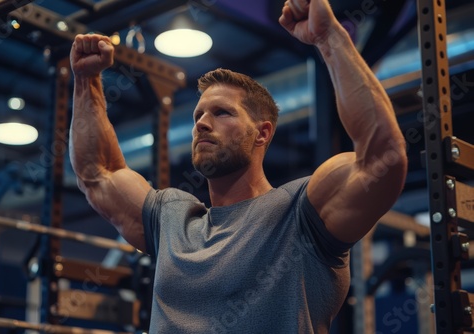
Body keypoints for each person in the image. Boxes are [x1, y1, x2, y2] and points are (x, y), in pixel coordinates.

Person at [69, 0, 408, 333]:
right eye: (198, 115)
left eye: (222, 113)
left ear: (262, 133)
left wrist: (329, 37)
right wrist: (86, 80)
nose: (201, 123)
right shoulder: (172, 220)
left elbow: (382, 158)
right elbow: (98, 173)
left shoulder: (300, 215)